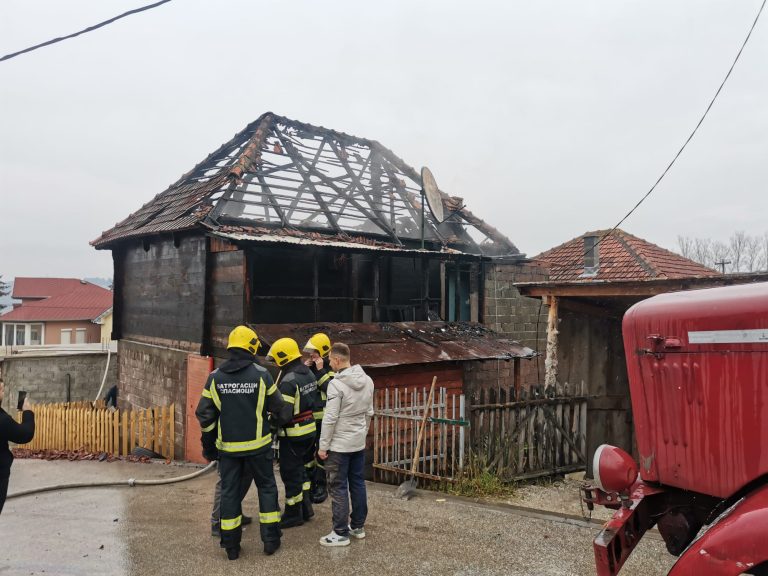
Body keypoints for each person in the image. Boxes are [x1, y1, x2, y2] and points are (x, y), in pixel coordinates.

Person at [196, 326, 292, 560]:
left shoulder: (215, 378)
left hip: (228, 450)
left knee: (229, 492)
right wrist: (271, 427)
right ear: (251, 347)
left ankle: (231, 546)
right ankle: (270, 541)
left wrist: (209, 446)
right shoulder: (262, 375)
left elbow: (205, 416)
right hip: (259, 447)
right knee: (267, 488)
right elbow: (280, 408)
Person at [317, 343, 374, 547]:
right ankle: (357, 527)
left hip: (339, 446)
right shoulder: (367, 380)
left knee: (338, 487)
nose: (329, 363)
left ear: (338, 360)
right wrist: (362, 434)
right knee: (357, 483)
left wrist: (323, 446)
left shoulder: (336, 384)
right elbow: (369, 412)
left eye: (330, 359)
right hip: (357, 444)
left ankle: (340, 533)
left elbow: (330, 418)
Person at [267, 337, 322, 529]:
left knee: (290, 473)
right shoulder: (307, 372)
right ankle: (306, 508)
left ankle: (292, 514)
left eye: (275, 359)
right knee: (302, 471)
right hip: (309, 431)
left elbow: (284, 414)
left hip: (294, 435)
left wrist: (270, 422)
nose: (274, 363)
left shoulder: (288, 381)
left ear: (282, 358)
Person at [303, 332, 334, 504]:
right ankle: (310, 484)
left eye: (313, 351)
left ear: (321, 352)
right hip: (308, 418)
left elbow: (331, 389)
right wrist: (305, 369)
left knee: (322, 453)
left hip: (323, 419)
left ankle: (322, 485)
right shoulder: (310, 367)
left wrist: (321, 370)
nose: (311, 355)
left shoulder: (330, 368)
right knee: (307, 453)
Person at [1, 378, 35, 515]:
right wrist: (28, 413)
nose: (3, 393)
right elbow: (24, 434)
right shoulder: (3, 420)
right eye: (2, 389)